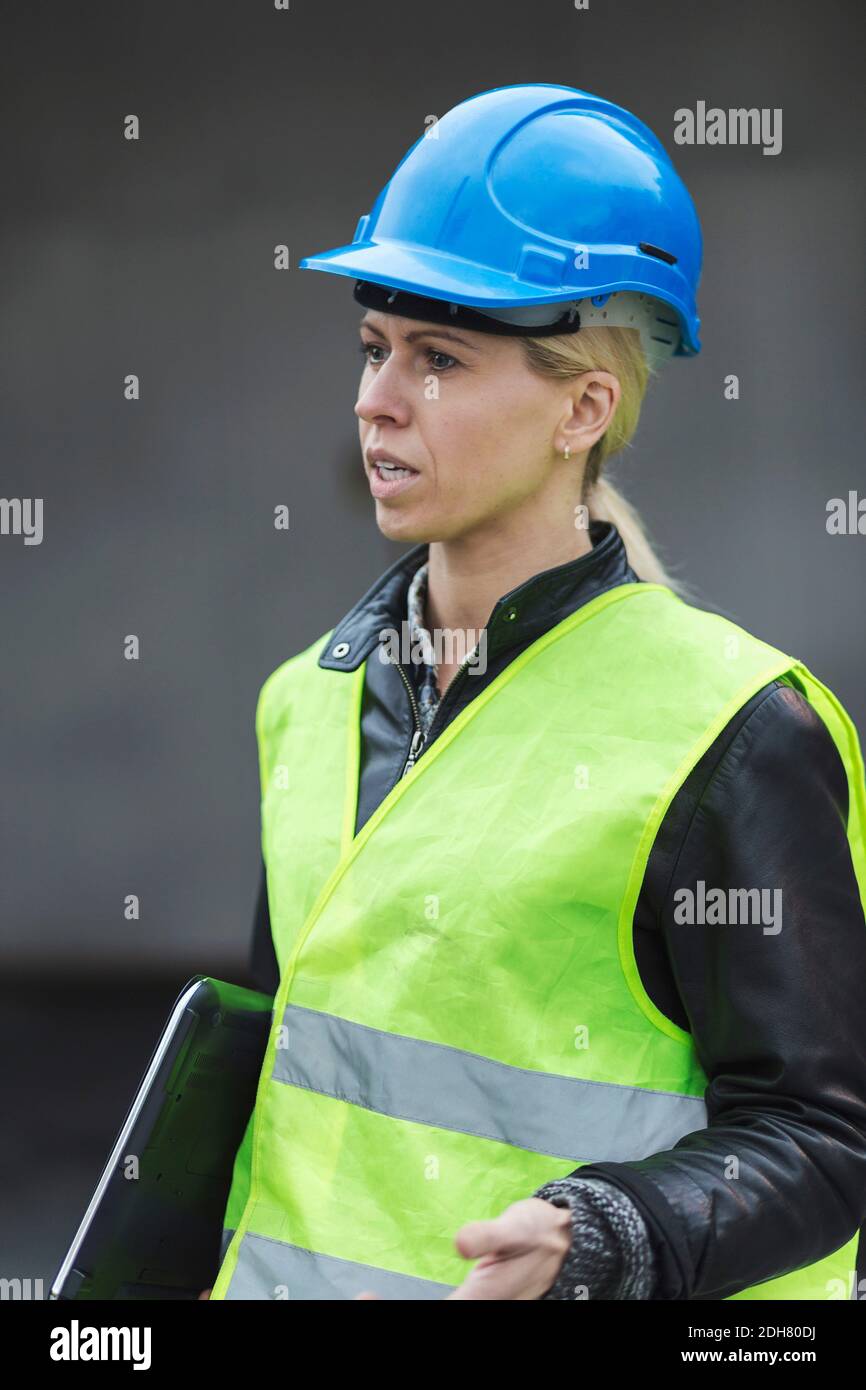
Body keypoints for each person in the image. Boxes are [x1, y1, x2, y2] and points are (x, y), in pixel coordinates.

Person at [206, 84, 866, 1301]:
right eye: (372, 348)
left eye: (439, 359)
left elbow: (827, 1138)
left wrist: (606, 1236)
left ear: (583, 406)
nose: (376, 401)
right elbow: (262, 1090)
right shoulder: (307, 700)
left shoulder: (731, 733)